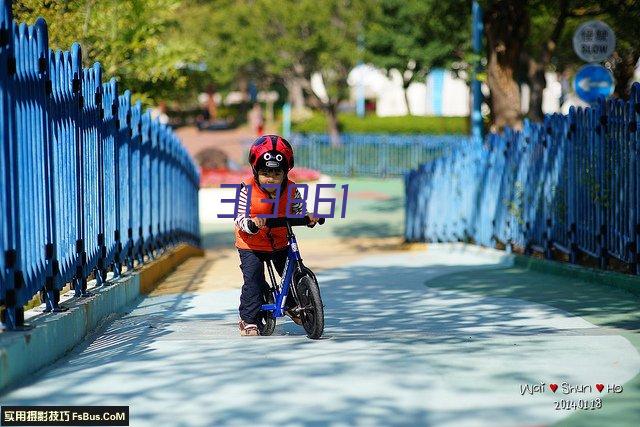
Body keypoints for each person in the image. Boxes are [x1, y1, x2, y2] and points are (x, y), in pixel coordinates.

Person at [234, 134, 319, 336]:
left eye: (276, 173)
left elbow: (299, 209)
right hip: (251, 244)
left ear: (285, 172)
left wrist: (308, 217)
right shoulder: (247, 189)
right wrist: (252, 224)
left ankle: (291, 304)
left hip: (280, 240)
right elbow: (239, 217)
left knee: (288, 272)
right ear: (255, 171)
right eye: (265, 173)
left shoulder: (291, 188)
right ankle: (248, 320)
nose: (270, 178)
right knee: (253, 280)